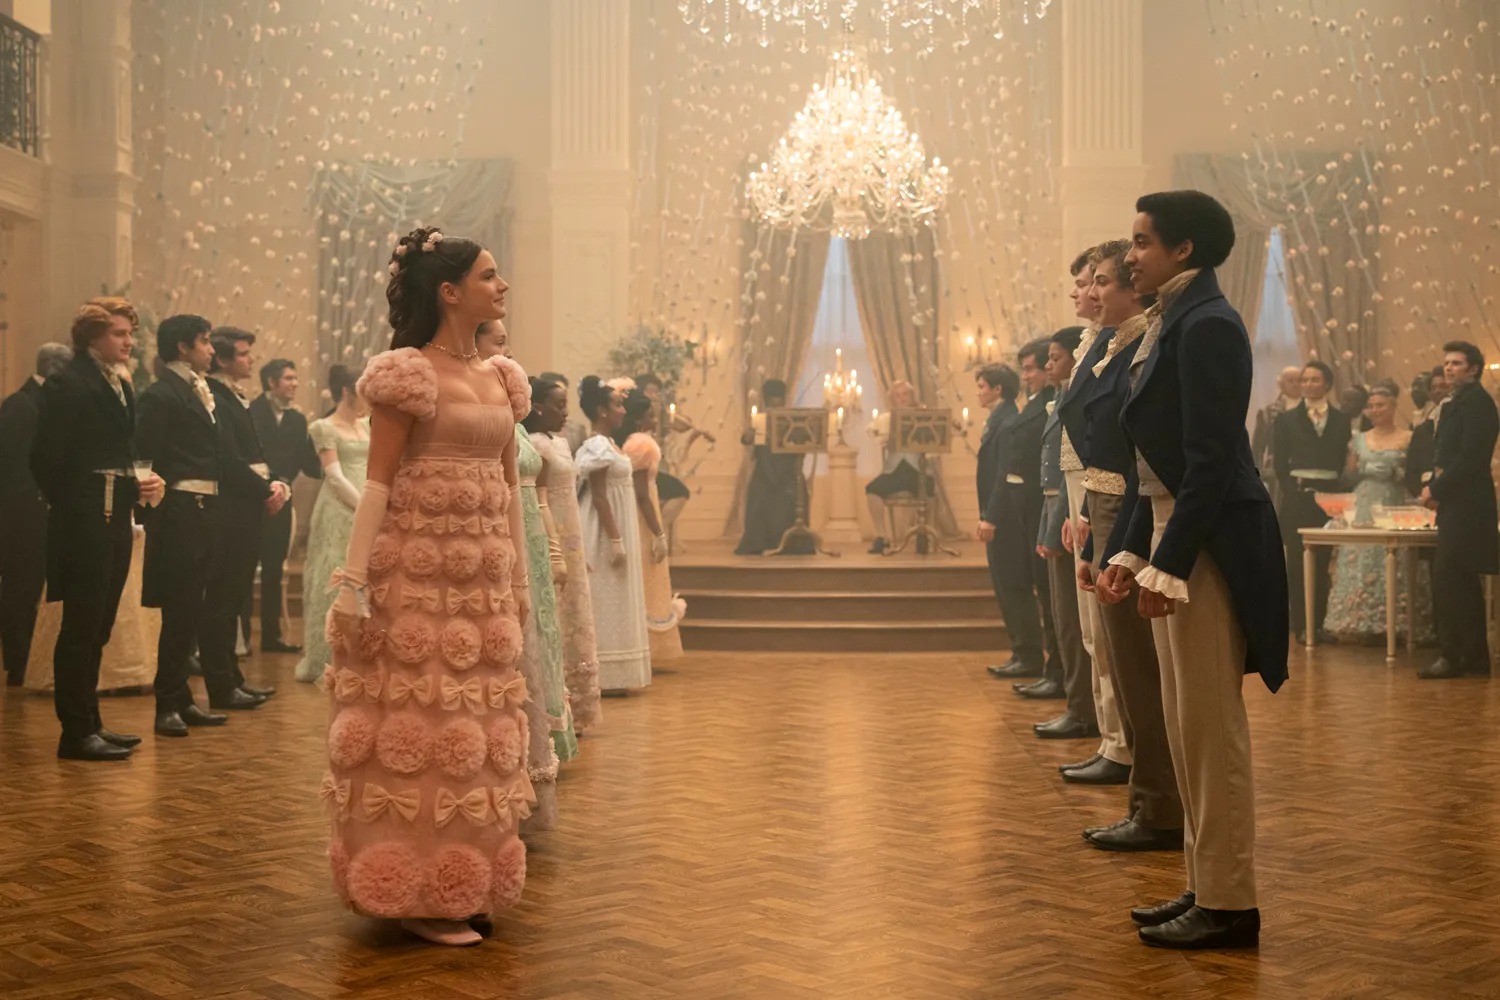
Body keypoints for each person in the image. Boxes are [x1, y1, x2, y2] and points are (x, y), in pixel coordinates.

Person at [324, 226, 533, 947]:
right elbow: (377, 484)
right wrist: (353, 582)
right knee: (421, 724)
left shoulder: (503, 378)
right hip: (414, 576)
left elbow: (511, 491)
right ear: (449, 292)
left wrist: (519, 578)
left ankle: (464, 880)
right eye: (488, 275)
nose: (501, 286)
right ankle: (413, 889)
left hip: (483, 581)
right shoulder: (405, 375)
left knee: (478, 732)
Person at [1096, 190, 1288, 950]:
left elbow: (1209, 464)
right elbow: (1154, 468)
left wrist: (1168, 565)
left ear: (1184, 250)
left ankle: (1231, 903)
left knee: (1210, 729)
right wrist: (1131, 552)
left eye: (1141, 242)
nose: (1130, 255)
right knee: (1183, 727)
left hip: (1209, 537)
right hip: (1176, 525)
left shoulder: (1208, 323)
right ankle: (1205, 883)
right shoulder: (1172, 319)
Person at [1070, 240, 1182, 838]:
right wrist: (1089, 528)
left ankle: (1158, 805)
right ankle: (1148, 798)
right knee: (1123, 663)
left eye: (1102, 281)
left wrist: (1111, 535)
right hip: (1107, 505)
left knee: (1139, 668)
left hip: (1130, 509)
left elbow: (1135, 449)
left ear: (1133, 290)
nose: (1091, 291)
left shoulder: (1143, 344)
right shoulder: (1111, 345)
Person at [31, 299, 165, 759]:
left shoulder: (120, 383)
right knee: (80, 627)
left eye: (131, 334)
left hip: (114, 517)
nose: (129, 342)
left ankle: (91, 721)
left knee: (100, 626)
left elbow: (119, 450)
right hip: (84, 520)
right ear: (92, 337)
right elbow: (45, 458)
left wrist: (136, 482)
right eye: (119, 334)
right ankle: (75, 732)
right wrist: (80, 503)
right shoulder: (68, 383)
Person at [477, 320, 575, 830]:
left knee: (539, 648)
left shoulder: (513, 415)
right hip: (499, 541)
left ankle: (538, 766)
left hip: (532, 541)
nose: (509, 350)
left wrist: (554, 553)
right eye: (498, 342)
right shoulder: (481, 411)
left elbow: (534, 493)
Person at [135, 314, 231, 738]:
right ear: (182, 347)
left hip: (203, 509)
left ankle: (182, 699)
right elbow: (143, 456)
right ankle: (166, 704)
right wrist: (154, 511)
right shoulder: (160, 394)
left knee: (191, 608)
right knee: (178, 610)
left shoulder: (194, 389)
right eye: (205, 341)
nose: (211, 349)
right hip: (179, 511)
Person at [203, 327, 285, 711]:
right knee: (222, 599)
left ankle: (232, 677)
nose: (250, 359)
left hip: (246, 503)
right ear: (221, 359)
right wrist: (264, 489)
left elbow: (254, 454)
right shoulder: (214, 395)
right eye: (242, 353)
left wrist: (275, 482)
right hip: (231, 507)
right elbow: (229, 458)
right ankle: (221, 683)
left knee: (235, 595)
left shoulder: (233, 394)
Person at [1324, 381, 1433, 643]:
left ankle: (1402, 622)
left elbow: (1416, 471)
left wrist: (1397, 473)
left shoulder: (1408, 437)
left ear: (1393, 406)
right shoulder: (1359, 439)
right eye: (1371, 406)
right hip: (1366, 500)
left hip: (1397, 499)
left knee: (1399, 557)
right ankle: (1360, 620)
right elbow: (1348, 474)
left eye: (1381, 405)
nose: (1375, 410)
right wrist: (1364, 470)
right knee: (1363, 556)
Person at [1418, 341, 1499, 679]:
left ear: (1474, 369)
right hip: (1457, 500)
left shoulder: (1478, 403)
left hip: (1469, 503)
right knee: (1458, 581)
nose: (1449, 368)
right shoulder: (1457, 402)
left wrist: (1435, 489)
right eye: (1447, 363)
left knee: (1451, 579)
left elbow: (1470, 458)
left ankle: (1454, 655)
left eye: (1457, 363)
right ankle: (1472, 657)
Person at [527, 377, 603, 731]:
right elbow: (539, 500)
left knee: (575, 614)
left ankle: (579, 706)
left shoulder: (560, 442)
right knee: (556, 615)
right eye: (558, 405)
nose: (565, 412)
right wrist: (554, 548)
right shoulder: (535, 445)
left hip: (571, 534)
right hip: (552, 534)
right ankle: (557, 705)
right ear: (537, 407)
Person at [1033, 326, 1097, 742]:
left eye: (1056, 357)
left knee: (1073, 621)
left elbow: (1068, 469)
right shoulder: (1062, 397)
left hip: (1068, 510)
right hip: (1057, 507)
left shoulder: (1078, 395)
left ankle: (1083, 709)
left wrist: (1053, 525)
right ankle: (1078, 704)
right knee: (1064, 618)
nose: (1048, 365)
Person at [293, 364, 369, 684]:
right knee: (335, 571)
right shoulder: (323, 427)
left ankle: (362, 654)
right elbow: (334, 476)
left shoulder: (367, 425)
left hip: (368, 496)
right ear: (346, 391)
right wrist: (365, 507)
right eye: (362, 391)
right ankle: (326, 655)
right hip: (340, 506)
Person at [0, 342, 71, 686]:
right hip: (21, 514)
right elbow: (11, 463)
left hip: (37, 511)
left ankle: (28, 660)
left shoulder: (42, 402)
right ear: (56, 369)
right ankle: (18, 662)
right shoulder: (23, 404)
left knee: (31, 587)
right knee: (21, 588)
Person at [577, 376, 653, 691]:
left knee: (617, 596)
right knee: (604, 594)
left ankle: (618, 673)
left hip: (618, 523)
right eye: (618, 405)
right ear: (601, 411)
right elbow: (599, 496)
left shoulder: (610, 444)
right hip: (602, 530)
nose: (623, 411)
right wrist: (615, 539)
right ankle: (601, 673)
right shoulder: (597, 446)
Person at [1273, 360, 1352, 644]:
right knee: (1297, 562)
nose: (1308, 385)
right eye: (1304, 380)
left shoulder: (1341, 420)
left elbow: (1342, 459)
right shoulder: (1285, 420)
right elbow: (1280, 463)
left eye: (1314, 380)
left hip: (1329, 499)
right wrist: (1292, 492)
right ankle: (1301, 625)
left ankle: (1318, 624)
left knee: (1323, 560)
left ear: (1327, 384)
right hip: (1298, 497)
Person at [977, 364, 1046, 679]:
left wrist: (990, 517)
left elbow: (1003, 477)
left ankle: (1028, 654)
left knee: (1014, 586)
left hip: (1006, 519)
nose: (978, 392)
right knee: (1005, 587)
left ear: (997, 389)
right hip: (1001, 517)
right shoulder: (999, 419)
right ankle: (1020, 651)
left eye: (982, 386)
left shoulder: (1007, 423)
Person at [249, 358, 321, 654]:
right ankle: (239, 641)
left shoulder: (297, 420)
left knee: (273, 569)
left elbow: (309, 462)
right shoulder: (250, 412)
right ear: (271, 382)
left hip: (282, 500)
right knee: (243, 568)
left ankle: (271, 637)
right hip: (250, 498)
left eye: (295, 378)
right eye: (289, 378)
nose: (295, 384)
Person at [1004, 340, 1061, 700]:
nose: (1025, 376)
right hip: (1029, 510)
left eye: (1030, 369)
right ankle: (1053, 669)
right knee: (1044, 593)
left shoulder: (1051, 403)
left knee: (1052, 598)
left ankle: (1057, 672)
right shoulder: (1037, 403)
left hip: (1043, 507)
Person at [618, 387, 686, 662]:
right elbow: (642, 494)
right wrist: (659, 532)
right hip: (642, 516)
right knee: (649, 575)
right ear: (638, 419)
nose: (655, 421)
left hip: (637, 513)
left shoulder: (629, 442)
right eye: (650, 416)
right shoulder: (642, 445)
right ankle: (649, 647)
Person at [734, 379, 803, 555]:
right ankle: (759, 541)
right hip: (765, 470)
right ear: (766, 403)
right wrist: (751, 434)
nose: (775, 408)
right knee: (759, 496)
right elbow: (745, 439)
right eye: (772, 405)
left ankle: (791, 542)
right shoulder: (760, 420)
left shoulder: (792, 420)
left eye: (779, 404)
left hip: (787, 471)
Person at [1250, 366, 1303, 504]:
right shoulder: (1267, 413)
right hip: (1277, 470)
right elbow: (1258, 446)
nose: (1295, 384)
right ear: (1281, 385)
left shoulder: (1311, 410)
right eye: (1290, 381)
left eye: (1299, 380)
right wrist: (1257, 473)